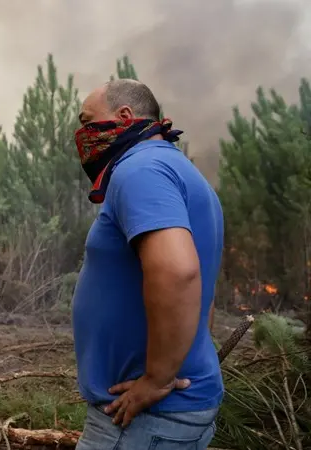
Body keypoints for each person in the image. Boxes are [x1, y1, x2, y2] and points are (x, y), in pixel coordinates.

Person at [71, 79, 224, 449]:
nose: (83, 134)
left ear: (124, 116)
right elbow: (204, 293)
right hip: (164, 416)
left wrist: (157, 379)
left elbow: (178, 272)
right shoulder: (176, 168)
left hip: (143, 421)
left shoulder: (140, 170)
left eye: (88, 121)